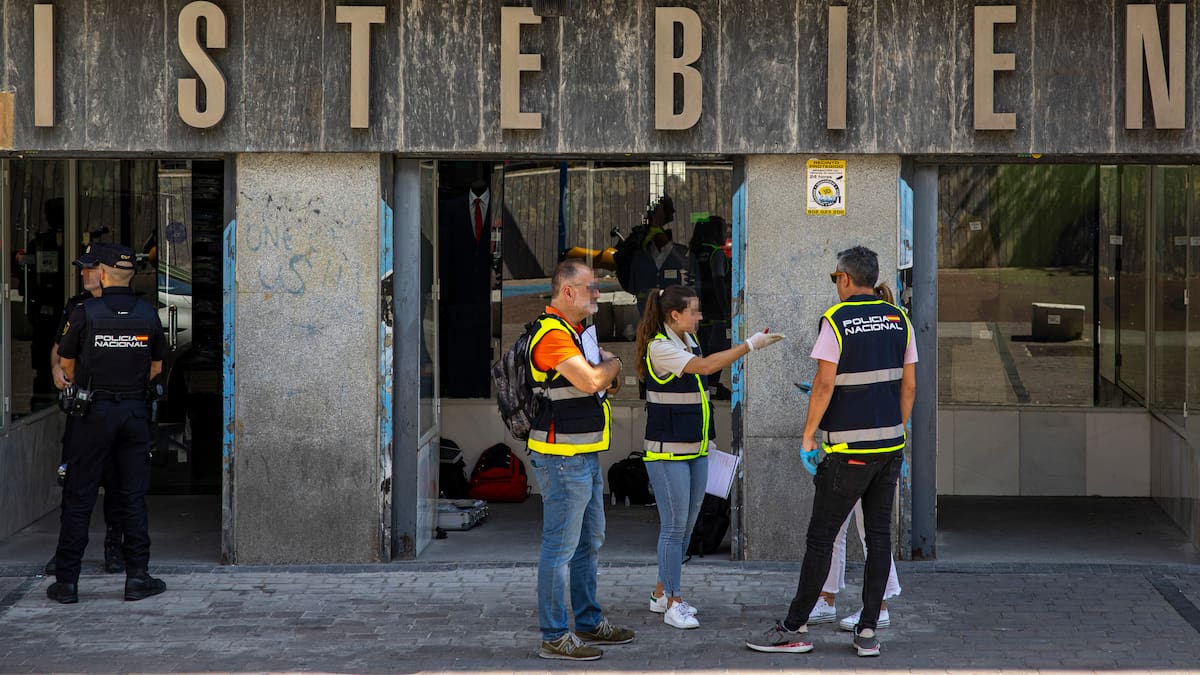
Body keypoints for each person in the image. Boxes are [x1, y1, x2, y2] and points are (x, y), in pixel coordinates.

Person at [747, 246, 916, 657]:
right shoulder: (900, 319)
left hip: (847, 450)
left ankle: (794, 627)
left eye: (834, 278)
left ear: (844, 278)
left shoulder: (836, 320)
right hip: (889, 447)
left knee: (821, 539)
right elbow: (909, 386)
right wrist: (897, 429)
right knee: (879, 539)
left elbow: (824, 385)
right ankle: (868, 632)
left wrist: (808, 437)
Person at [636, 285, 781, 630]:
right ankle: (673, 601)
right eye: (695, 311)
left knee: (685, 529)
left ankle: (661, 592)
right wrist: (748, 346)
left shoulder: (687, 340)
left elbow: (697, 395)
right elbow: (704, 368)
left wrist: (709, 441)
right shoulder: (661, 347)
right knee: (673, 530)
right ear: (675, 315)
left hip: (696, 450)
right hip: (667, 454)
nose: (700, 317)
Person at [526, 259, 635, 661]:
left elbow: (612, 385)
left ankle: (588, 622)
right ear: (567, 292)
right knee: (559, 549)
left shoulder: (576, 334)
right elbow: (594, 381)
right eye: (590, 287)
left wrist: (609, 371)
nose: (597, 294)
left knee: (589, 543)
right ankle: (554, 635)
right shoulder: (553, 336)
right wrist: (615, 364)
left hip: (583, 455)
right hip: (562, 458)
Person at [47, 244, 168, 604]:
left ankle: (67, 582)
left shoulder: (86, 312)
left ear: (102, 274)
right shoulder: (148, 314)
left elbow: (65, 364)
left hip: (92, 413)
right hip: (133, 413)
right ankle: (137, 577)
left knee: (80, 495)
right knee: (132, 496)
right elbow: (158, 368)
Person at [807, 283, 903, 631]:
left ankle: (877, 606)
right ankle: (829, 598)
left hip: (856, 450)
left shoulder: (843, 323)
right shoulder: (896, 325)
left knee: (864, 531)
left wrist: (809, 435)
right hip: (880, 445)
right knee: (855, 530)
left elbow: (825, 384)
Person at [43, 244, 125, 576]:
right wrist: (55, 369)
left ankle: (114, 548)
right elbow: (58, 348)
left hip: (116, 408)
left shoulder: (128, 308)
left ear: (105, 270)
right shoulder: (77, 306)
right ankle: (66, 554)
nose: (83, 273)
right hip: (82, 410)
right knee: (75, 485)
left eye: (89, 267)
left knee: (119, 486)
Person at [688, 216, 732, 398]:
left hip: (698, 311)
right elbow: (718, 282)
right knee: (719, 350)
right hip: (715, 312)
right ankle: (712, 386)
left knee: (702, 349)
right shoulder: (716, 253)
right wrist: (726, 310)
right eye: (723, 229)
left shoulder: (695, 253)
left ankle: (704, 385)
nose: (726, 233)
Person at [628, 196, 696, 313]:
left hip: (664, 303)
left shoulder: (675, 250)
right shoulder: (648, 242)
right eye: (670, 208)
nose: (674, 212)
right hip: (649, 304)